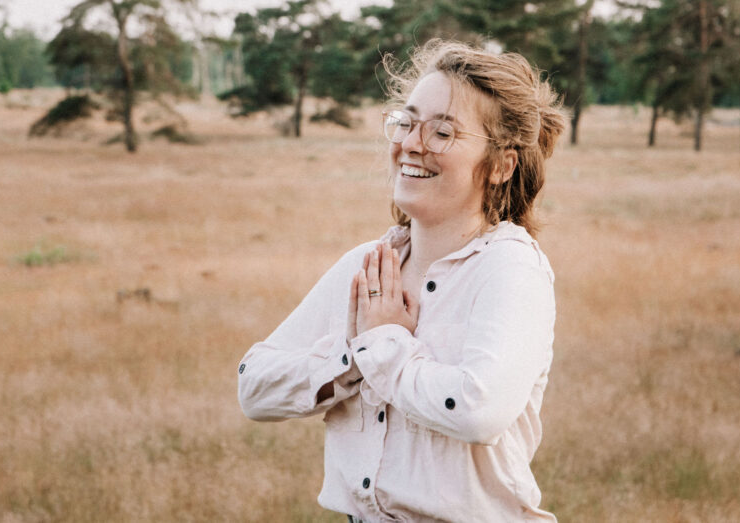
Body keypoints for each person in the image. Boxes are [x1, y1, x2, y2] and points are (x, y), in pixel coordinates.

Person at [237, 39, 565, 522]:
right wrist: (353, 357)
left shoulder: (510, 269)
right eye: (406, 122)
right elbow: (254, 386)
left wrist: (385, 345)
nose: (411, 143)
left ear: (500, 165)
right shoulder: (368, 266)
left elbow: (477, 409)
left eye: (442, 133)